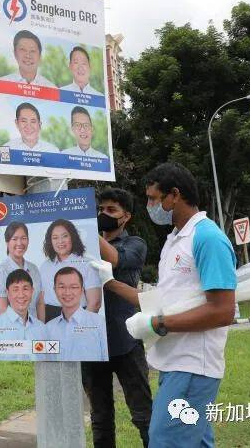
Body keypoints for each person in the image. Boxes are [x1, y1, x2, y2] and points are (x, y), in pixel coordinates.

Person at [92, 162, 237, 448]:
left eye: (153, 198)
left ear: (174, 195)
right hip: (173, 362)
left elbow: (222, 310)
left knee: (166, 441)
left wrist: (157, 324)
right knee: (196, 442)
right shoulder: (174, 241)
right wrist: (110, 283)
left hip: (193, 365)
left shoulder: (207, 238)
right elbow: (160, 301)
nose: (150, 206)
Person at [81, 188, 152, 448]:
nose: (104, 215)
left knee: (143, 414)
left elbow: (113, 259)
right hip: (92, 345)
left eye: (112, 210)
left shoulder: (135, 245)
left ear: (126, 217)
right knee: (100, 417)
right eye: (101, 210)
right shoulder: (82, 247)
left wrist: (86, 227)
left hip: (126, 343)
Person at [39, 218, 101, 322]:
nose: (60, 241)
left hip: (79, 318)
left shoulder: (88, 264)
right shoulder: (45, 266)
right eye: (55, 238)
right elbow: (40, 301)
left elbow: (95, 303)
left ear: (72, 237)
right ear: (50, 241)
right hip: (49, 319)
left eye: (65, 236)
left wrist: (80, 327)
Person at [46, 266, 108, 361]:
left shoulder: (99, 323)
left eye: (73, 287)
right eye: (62, 287)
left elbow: (105, 359)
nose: (67, 292)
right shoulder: (48, 328)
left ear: (82, 290)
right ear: (54, 289)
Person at [0, 269, 48, 361]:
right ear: (8, 293)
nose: (21, 295)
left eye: (25, 288)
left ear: (32, 291)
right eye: (15, 289)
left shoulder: (41, 328)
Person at [0, 221, 45, 320]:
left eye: (23, 238)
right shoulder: (0, 270)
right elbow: (2, 311)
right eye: (14, 239)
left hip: (35, 331)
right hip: (14, 331)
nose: (19, 243)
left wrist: (41, 328)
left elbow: (40, 302)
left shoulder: (34, 269)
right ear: (7, 242)